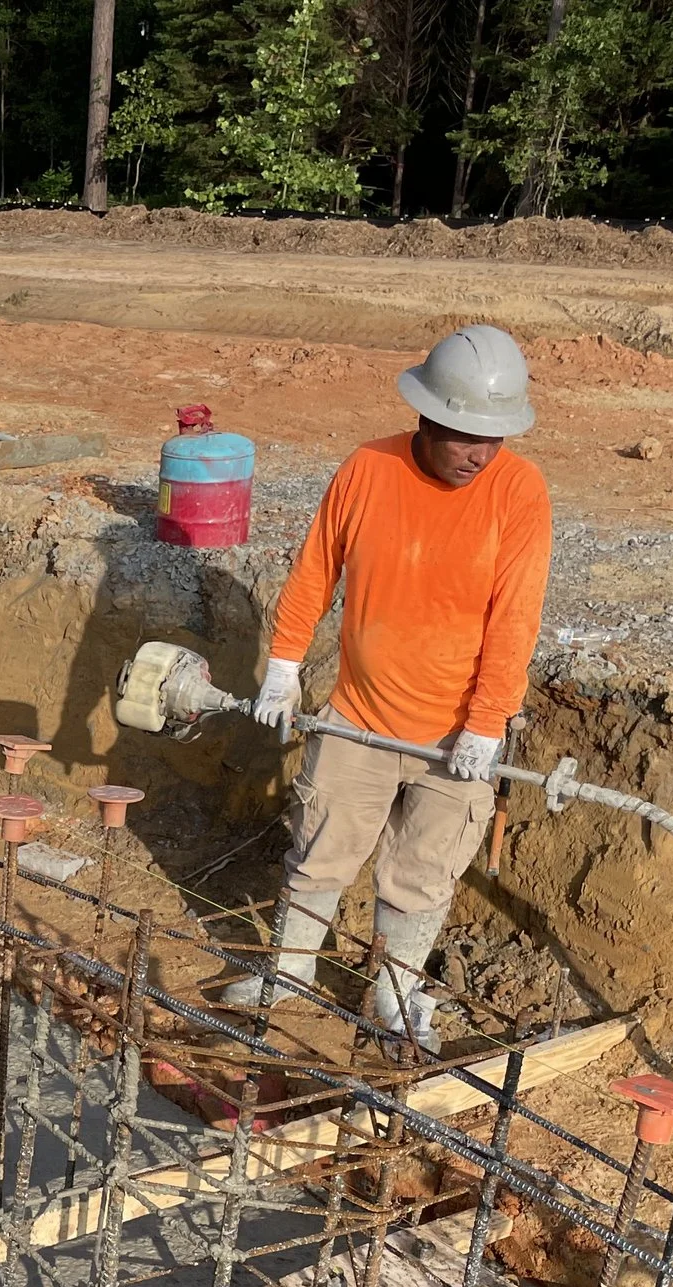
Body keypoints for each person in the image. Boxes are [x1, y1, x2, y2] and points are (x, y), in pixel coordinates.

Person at [238, 323, 552, 1049]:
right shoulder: (368, 470)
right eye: (465, 436)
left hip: (457, 736)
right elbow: (316, 567)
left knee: (421, 874)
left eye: (494, 438)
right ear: (426, 416)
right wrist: (285, 661)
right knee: (320, 850)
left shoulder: (519, 492)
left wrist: (487, 720)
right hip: (361, 719)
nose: (480, 453)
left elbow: (517, 616)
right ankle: (287, 974)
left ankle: (394, 996)